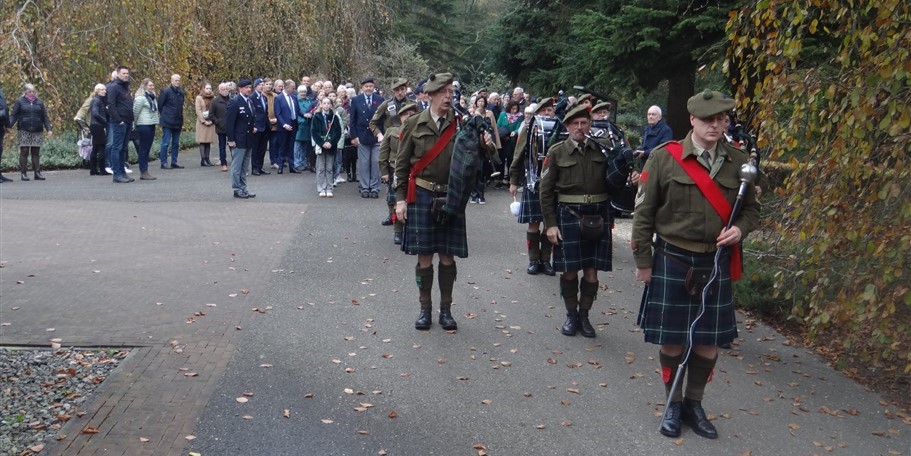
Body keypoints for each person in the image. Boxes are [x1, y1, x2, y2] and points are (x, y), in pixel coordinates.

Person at [632, 90, 760, 440]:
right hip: (673, 258)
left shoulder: (739, 162)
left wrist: (739, 229)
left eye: (722, 119)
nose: (715, 125)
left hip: (716, 262)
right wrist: (644, 262)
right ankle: (673, 404)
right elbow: (643, 213)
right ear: (692, 120)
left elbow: (752, 211)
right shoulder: (664, 158)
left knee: (708, 342)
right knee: (673, 341)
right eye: (708, 120)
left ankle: (694, 403)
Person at [394, 72, 496, 331]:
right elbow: (402, 165)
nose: (448, 96)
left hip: (452, 196)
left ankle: (446, 311)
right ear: (430, 95)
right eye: (443, 92)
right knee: (424, 256)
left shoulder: (464, 124)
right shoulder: (414, 123)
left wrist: (486, 144)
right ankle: (425, 310)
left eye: (451, 92)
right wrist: (400, 200)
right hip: (422, 194)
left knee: (448, 256)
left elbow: (490, 157)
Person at [539, 106, 633, 338]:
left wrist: (628, 169)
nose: (580, 128)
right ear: (568, 126)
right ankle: (571, 315)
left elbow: (615, 181)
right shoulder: (557, 152)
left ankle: (584, 315)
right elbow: (545, 191)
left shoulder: (603, 149)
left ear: (590, 125)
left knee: (592, 272)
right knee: (569, 272)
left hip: (598, 216)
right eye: (575, 123)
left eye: (584, 123)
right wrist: (550, 224)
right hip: (569, 216)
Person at [509, 98, 557, 276]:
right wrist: (514, 180)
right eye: (543, 110)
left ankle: (546, 260)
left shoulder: (559, 129)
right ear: (537, 113)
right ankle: (533, 260)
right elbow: (518, 155)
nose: (547, 113)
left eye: (550, 110)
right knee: (534, 223)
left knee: (550, 223)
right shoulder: (529, 128)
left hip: (554, 184)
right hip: (533, 181)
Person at [378, 102, 418, 244]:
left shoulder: (420, 132)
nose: (408, 116)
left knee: (413, 202)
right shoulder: (392, 131)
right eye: (405, 114)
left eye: (412, 114)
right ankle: (398, 232)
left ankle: (414, 230)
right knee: (397, 201)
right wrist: (384, 171)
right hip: (395, 170)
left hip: (415, 172)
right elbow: (383, 153)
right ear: (400, 117)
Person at [9, 83, 53, 181]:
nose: (32, 93)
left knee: (35, 152)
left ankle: (37, 172)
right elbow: (14, 115)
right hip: (24, 129)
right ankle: (23, 173)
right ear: (25, 92)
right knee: (24, 151)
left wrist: (49, 129)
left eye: (33, 91)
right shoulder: (20, 102)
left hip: (37, 129)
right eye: (30, 91)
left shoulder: (39, 102)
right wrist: (9, 126)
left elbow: (44, 117)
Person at [349, 77, 384, 198]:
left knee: (375, 163)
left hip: (376, 136)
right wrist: (354, 136)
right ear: (362, 87)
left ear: (374, 87)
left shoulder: (380, 99)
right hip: (362, 136)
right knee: (363, 163)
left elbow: (383, 119)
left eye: (371, 86)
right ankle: (364, 187)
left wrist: (383, 135)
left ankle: (374, 187)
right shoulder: (356, 100)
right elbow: (352, 120)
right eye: (366, 86)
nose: (369, 88)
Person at [225, 79, 256, 199]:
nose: (249, 89)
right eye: (246, 87)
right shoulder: (235, 102)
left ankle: (243, 188)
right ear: (240, 89)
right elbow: (229, 123)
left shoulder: (249, 101)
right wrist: (231, 139)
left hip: (248, 138)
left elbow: (250, 118)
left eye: (250, 87)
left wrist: (253, 127)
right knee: (237, 166)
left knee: (244, 166)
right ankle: (237, 189)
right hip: (238, 139)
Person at [468, 95, 501, 205]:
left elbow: (490, 133)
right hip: (472, 150)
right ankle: (474, 195)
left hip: (483, 152)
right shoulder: (470, 122)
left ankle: (481, 195)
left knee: (481, 174)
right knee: (473, 174)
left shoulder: (487, 122)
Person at [310, 97, 343, 197]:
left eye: (328, 103)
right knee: (321, 168)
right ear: (321, 104)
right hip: (321, 146)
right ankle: (321, 187)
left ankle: (329, 187)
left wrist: (331, 143)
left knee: (329, 168)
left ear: (331, 105)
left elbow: (338, 132)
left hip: (331, 146)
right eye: (324, 103)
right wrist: (322, 143)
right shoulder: (316, 117)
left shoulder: (334, 117)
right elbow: (314, 132)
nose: (326, 105)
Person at [132, 78, 159, 180]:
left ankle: (145, 170)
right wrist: (135, 124)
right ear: (144, 86)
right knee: (143, 148)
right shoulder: (141, 98)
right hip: (143, 124)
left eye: (152, 85)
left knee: (147, 148)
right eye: (149, 85)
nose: (152, 87)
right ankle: (143, 171)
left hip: (151, 124)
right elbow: (135, 112)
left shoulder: (152, 97)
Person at [158, 74, 185, 169]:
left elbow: (181, 106)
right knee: (165, 142)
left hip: (178, 121)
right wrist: (166, 115)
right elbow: (160, 105)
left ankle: (174, 161)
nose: (177, 82)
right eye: (176, 80)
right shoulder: (166, 91)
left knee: (176, 143)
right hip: (167, 121)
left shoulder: (181, 92)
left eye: (179, 80)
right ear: (171, 80)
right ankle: (163, 162)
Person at [273, 79, 299, 173]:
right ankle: (280, 166)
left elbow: (297, 110)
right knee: (282, 147)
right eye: (292, 88)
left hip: (293, 124)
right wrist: (284, 124)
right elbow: (278, 113)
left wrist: (306, 114)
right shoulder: (279, 98)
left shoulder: (294, 97)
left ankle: (292, 166)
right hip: (283, 126)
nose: (294, 89)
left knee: (291, 146)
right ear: (287, 87)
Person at [84, 84, 108, 176]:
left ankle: (93, 169)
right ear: (97, 91)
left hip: (94, 125)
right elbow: (95, 113)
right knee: (101, 147)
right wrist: (104, 121)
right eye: (102, 90)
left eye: (104, 89)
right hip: (98, 126)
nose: (104, 91)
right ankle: (102, 169)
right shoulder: (97, 100)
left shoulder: (97, 100)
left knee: (95, 147)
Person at [294, 84, 316, 173]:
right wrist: (301, 120)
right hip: (299, 126)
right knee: (297, 146)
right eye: (301, 92)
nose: (303, 93)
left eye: (304, 92)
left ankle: (303, 163)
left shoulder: (309, 100)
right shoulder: (296, 100)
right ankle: (297, 163)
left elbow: (311, 110)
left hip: (308, 126)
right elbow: (295, 112)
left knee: (304, 146)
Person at [209, 83, 231, 171]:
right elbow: (211, 115)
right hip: (220, 127)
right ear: (219, 90)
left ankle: (235, 162)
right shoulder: (215, 101)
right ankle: (223, 163)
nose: (225, 91)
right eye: (223, 89)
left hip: (231, 127)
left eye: (226, 89)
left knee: (233, 146)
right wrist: (218, 122)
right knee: (222, 146)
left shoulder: (232, 100)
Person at [194, 82, 217, 167]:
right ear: (203, 89)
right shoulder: (199, 98)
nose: (209, 90)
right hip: (202, 123)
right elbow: (198, 110)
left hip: (210, 121)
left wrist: (212, 120)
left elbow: (215, 110)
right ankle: (203, 160)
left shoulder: (214, 98)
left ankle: (207, 159)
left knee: (208, 141)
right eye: (207, 88)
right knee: (203, 141)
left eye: (210, 88)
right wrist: (204, 121)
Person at [0, 84, 10, 182]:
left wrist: (7, 125)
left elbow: (5, 109)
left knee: (0, 149)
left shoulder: (1, 93)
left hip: (1, 125)